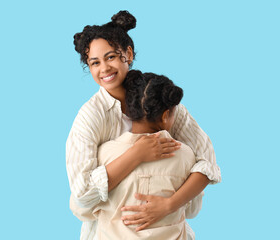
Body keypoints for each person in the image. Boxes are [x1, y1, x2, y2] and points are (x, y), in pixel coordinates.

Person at [66, 10, 221, 240]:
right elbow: (82, 193)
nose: (104, 69)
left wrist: (169, 205)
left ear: (127, 54)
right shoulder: (90, 116)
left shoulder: (157, 96)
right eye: (94, 63)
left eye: (110, 57)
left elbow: (207, 163)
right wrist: (136, 155)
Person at [71, 70, 206, 240]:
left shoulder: (105, 154)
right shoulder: (186, 157)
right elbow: (193, 210)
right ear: (165, 116)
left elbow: (81, 209)